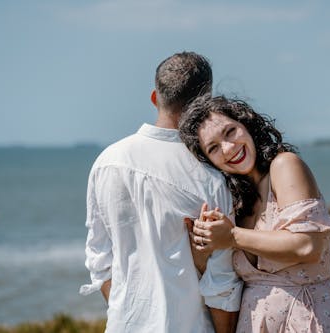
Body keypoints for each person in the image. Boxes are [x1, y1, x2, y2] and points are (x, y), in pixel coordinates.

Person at [79, 53, 243, 333]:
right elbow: (221, 284)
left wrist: (132, 314)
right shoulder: (211, 177)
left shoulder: (106, 162)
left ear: (155, 97)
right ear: (206, 103)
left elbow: (99, 261)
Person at [179, 95, 330, 333]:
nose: (228, 148)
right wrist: (203, 246)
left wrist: (232, 236)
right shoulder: (237, 203)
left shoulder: (284, 166)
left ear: (247, 124)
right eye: (213, 148)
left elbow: (306, 246)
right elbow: (217, 278)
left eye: (230, 131)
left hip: (310, 322)